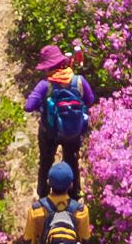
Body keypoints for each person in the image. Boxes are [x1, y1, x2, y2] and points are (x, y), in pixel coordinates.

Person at [26, 50, 94, 184]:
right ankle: (74, 195)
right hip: (74, 131)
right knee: (72, 161)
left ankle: (44, 196)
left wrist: (41, 104)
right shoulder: (79, 80)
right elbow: (90, 100)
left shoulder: (45, 85)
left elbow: (28, 107)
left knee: (46, 163)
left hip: (49, 132)